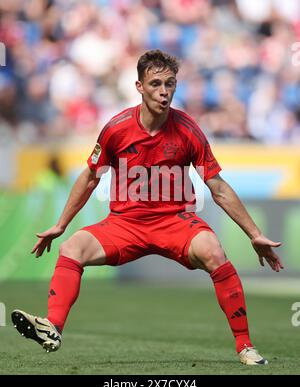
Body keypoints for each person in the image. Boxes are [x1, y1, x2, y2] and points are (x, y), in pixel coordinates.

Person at [12, 49, 283, 365]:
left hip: (175, 222)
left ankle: (246, 347)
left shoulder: (189, 130)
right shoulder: (116, 128)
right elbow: (89, 177)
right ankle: (52, 327)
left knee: (214, 252)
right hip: (124, 224)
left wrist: (254, 234)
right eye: (155, 84)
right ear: (139, 86)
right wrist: (61, 224)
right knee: (72, 247)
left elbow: (218, 187)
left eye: (170, 84)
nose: (164, 92)